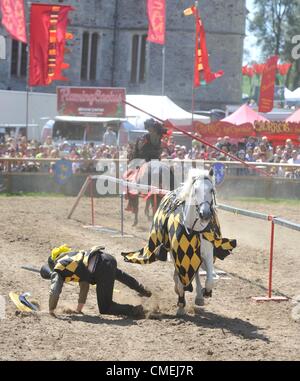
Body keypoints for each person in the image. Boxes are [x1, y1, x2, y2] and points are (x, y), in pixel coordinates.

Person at [40, 245, 151, 318]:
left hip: (100, 269)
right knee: (118, 274)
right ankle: (143, 290)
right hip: (106, 258)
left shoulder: (59, 267)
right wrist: (79, 309)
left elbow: (54, 291)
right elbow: (84, 284)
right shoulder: (73, 257)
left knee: (105, 308)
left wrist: (51, 310)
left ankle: (135, 311)